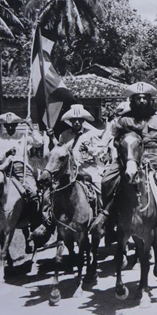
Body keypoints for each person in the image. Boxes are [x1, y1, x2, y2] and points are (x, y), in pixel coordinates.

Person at [90, 82, 157, 237]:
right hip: (129, 159)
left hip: (153, 157)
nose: (142, 101)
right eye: (138, 98)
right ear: (132, 100)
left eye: (145, 98)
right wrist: (111, 151)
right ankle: (108, 217)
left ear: (150, 99)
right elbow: (113, 138)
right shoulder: (124, 119)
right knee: (106, 181)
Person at [34, 104, 107, 242]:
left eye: (79, 119)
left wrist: (90, 149)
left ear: (83, 120)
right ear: (70, 121)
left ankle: (103, 219)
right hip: (68, 171)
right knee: (48, 194)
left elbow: (100, 151)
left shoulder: (91, 134)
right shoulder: (65, 134)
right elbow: (60, 151)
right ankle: (48, 221)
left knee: (100, 188)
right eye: (74, 120)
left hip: (87, 169)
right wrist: (52, 138)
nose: (77, 122)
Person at [0, 112, 44, 238]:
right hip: (4, 169)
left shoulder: (23, 136)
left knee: (33, 192)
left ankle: (35, 220)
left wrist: (31, 126)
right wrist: (6, 154)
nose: (10, 127)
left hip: (22, 169)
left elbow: (39, 142)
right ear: (4, 126)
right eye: (7, 125)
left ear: (16, 125)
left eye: (12, 125)